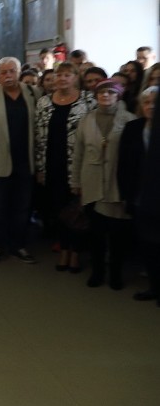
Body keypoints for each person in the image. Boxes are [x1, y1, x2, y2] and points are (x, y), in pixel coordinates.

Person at [71, 79, 135, 289]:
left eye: (110, 92)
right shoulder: (86, 120)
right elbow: (78, 153)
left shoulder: (129, 121)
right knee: (95, 233)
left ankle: (115, 273)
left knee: (117, 235)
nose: (105, 96)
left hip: (117, 186)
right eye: (101, 93)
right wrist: (76, 181)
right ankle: (98, 272)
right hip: (92, 184)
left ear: (118, 95)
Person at [35, 62, 96, 272]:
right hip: (53, 164)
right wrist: (41, 168)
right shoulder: (44, 102)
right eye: (59, 75)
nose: (62, 79)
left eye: (67, 75)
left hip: (78, 164)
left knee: (77, 210)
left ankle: (75, 253)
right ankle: (63, 249)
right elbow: (39, 137)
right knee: (59, 209)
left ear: (75, 77)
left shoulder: (88, 100)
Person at [0, 57, 38, 265]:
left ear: (19, 72)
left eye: (12, 71)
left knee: (22, 208)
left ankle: (18, 245)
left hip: (25, 161)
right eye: (3, 72)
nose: (8, 75)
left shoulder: (32, 93)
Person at [118, 86, 159, 306]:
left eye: (155, 102)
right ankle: (153, 286)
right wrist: (125, 194)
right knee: (147, 245)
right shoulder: (133, 128)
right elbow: (124, 165)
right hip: (141, 198)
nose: (151, 106)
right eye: (146, 102)